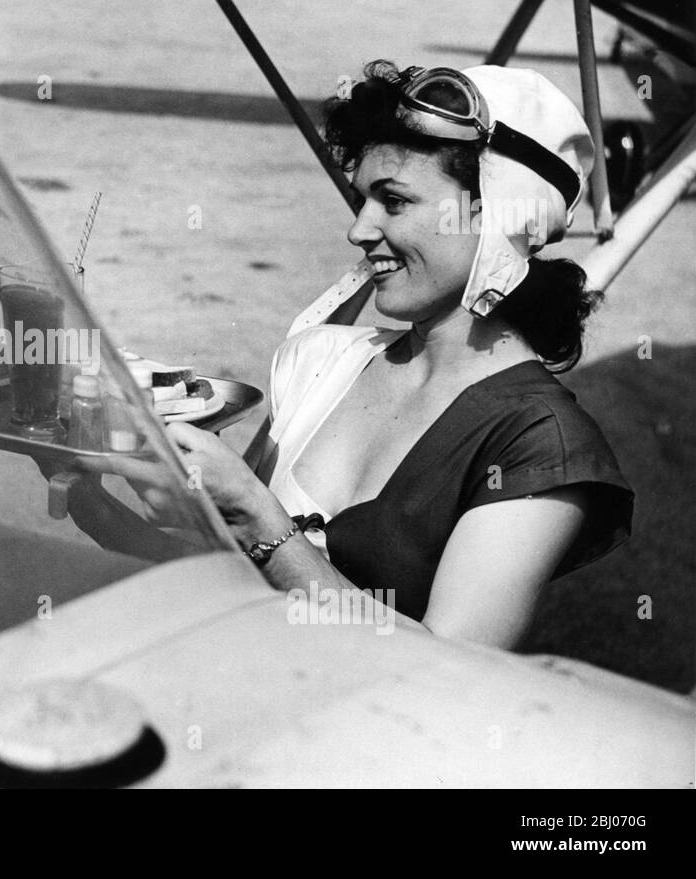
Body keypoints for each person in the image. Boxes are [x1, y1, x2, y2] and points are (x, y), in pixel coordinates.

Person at [70, 61, 633, 650]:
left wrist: (256, 512)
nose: (359, 230)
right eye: (362, 199)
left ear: (498, 216)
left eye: (393, 201)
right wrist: (91, 493)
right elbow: (231, 589)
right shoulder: (323, 360)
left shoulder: (541, 444)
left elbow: (455, 669)